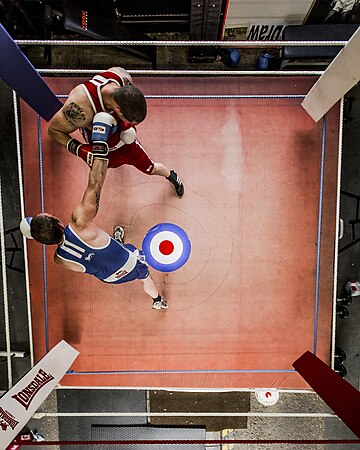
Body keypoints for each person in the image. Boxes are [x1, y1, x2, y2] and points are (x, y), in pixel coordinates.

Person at [27, 118, 168, 310]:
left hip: (110, 277)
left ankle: (116, 243)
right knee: (145, 277)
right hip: (129, 263)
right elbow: (95, 184)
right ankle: (157, 300)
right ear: (58, 221)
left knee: (105, 250)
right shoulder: (80, 221)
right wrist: (100, 143)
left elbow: (87, 263)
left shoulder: (60, 259)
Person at [48, 66, 184, 197]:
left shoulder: (122, 78)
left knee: (151, 168)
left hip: (126, 147)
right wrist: (79, 149)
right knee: (94, 188)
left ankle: (171, 176)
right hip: (100, 151)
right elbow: (54, 130)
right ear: (118, 111)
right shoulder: (80, 108)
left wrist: (127, 127)